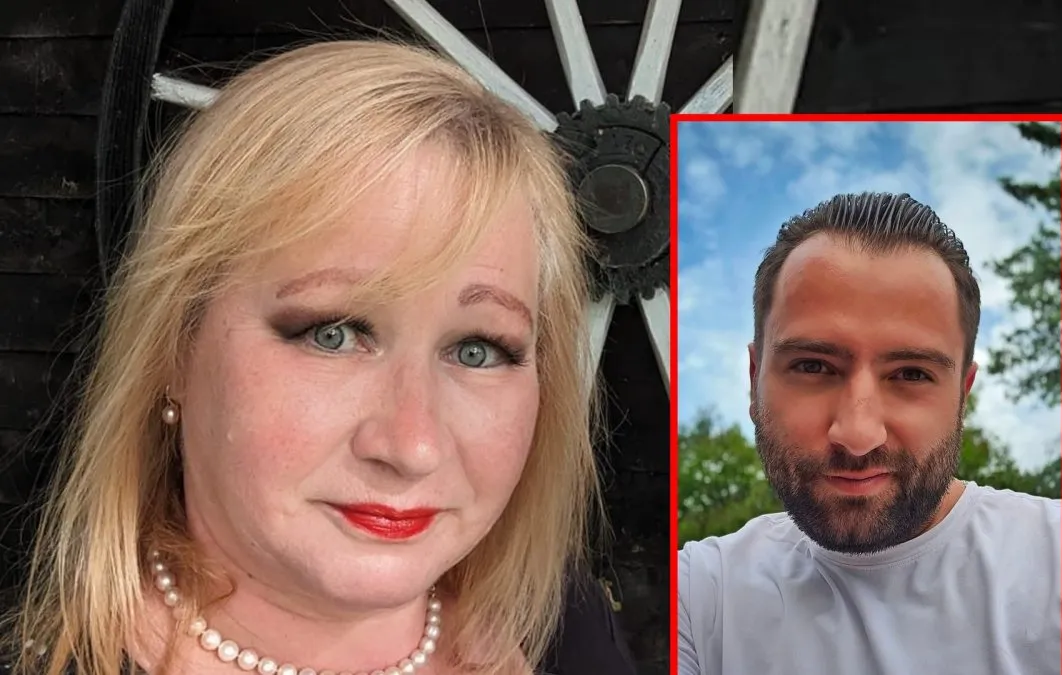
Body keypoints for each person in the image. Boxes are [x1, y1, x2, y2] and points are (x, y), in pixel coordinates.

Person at [1, 41, 636, 675]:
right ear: (173, 349)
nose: (412, 446)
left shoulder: (564, 631)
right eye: (332, 334)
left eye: (478, 350)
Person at [677, 192, 1062, 675]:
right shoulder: (701, 596)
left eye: (911, 374)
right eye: (813, 366)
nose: (858, 435)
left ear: (962, 396)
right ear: (754, 380)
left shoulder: (1057, 561)